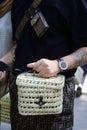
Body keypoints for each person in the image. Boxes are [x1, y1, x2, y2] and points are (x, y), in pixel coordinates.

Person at [0, 0, 87, 130]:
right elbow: (21, 43)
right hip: (20, 93)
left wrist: (59, 64)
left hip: (55, 94)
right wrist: (2, 64)